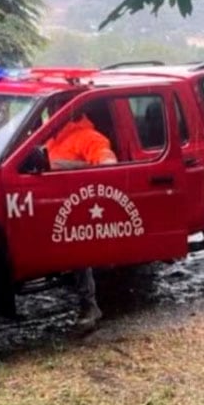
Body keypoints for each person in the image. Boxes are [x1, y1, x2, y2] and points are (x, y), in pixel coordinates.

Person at [47, 113, 117, 329]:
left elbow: (108, 163)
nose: (50, 113)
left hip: (78, 209)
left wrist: (71, 170)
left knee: (78, 252)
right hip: (51, 202)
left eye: (55, 107)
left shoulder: (89, 137)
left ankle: (89, 305)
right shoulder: (52, 136)